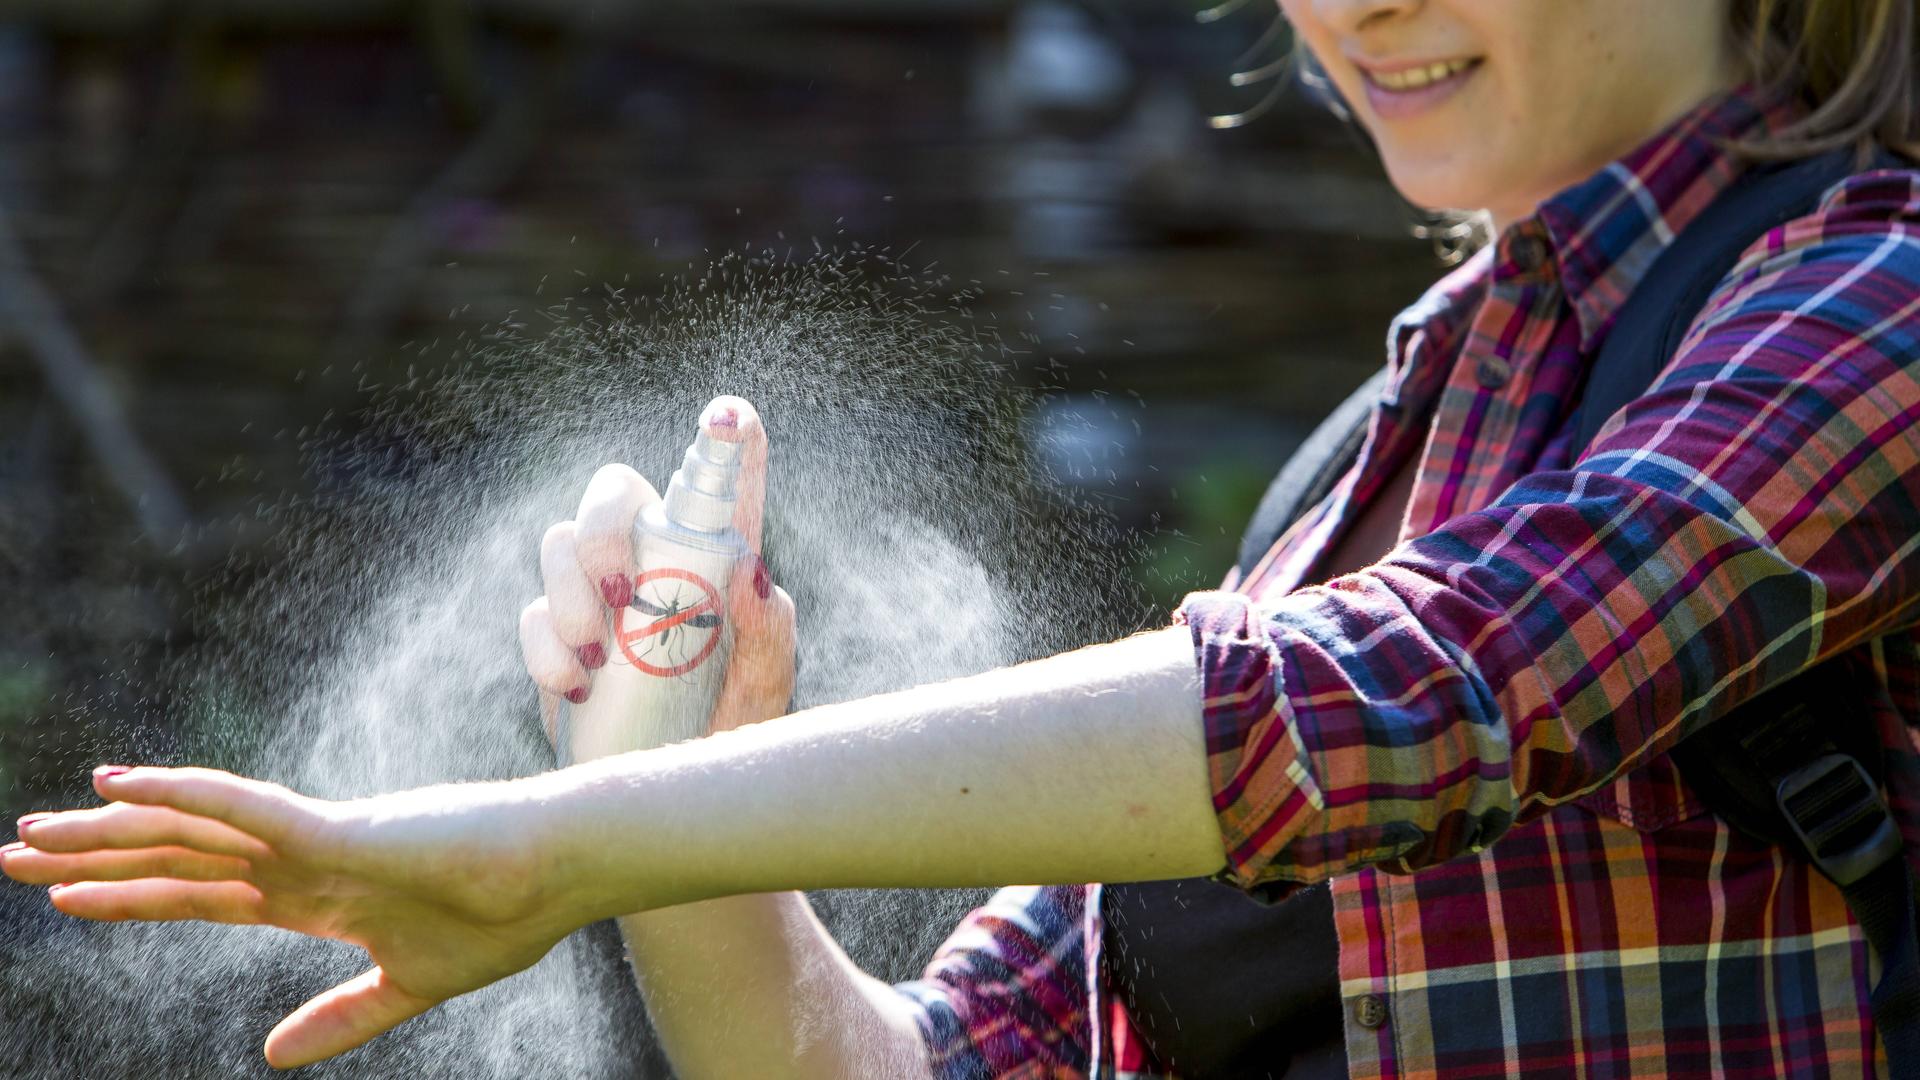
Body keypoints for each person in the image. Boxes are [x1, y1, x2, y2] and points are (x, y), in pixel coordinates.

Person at [6, 0, 1920, 1076]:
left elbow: (1420, 699)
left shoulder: (1884, 302)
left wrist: (555, 851)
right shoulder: (1349, 489)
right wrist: (690, 806)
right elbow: (915, 1069)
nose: (1358, 7)